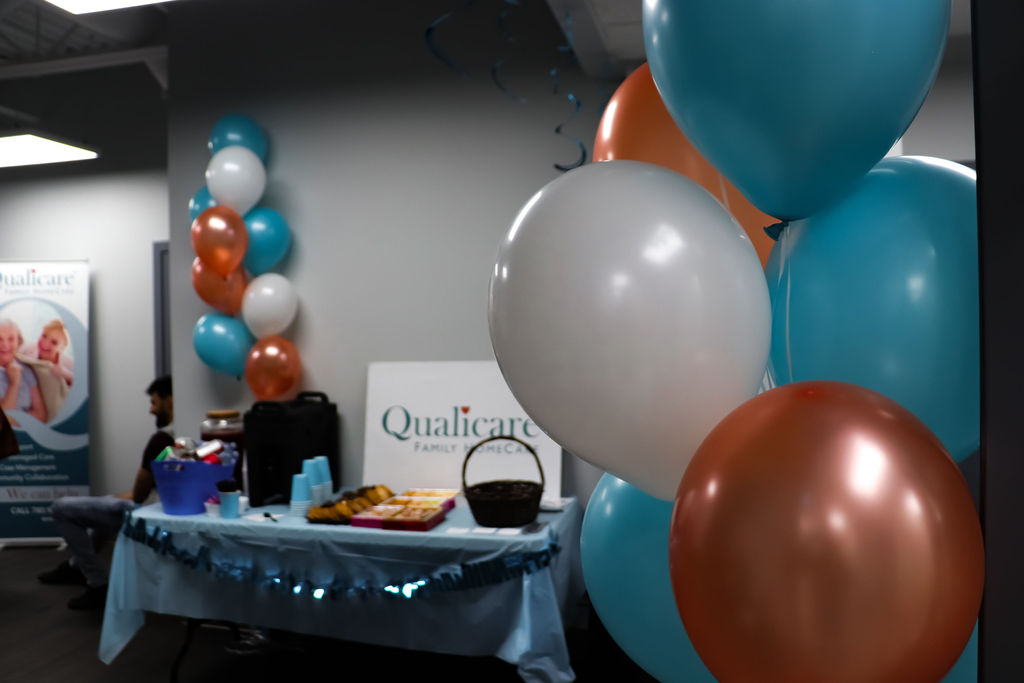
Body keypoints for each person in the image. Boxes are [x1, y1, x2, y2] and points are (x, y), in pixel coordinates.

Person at [37, 376, 174, 610]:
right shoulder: (186, 435)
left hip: (149, 515)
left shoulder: (162, 440)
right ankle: (76, 566)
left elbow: (140, 494)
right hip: (163, 508)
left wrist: (122, 498)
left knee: (61, 508)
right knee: (105, 504)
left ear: (169, 400)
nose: (151, 410)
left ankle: (97, 582)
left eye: (154, 402)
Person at [17, 318, 74, 421]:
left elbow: (80, 386)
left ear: (62, 347)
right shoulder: (29, 348)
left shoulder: (68, 364)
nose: (45, 343)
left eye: (54, 342)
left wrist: (63, 373)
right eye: (44, 336)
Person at [0, 318, 47, 424]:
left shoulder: (26, 370)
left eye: (11, 339)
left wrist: (14, 419)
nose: (5, 345)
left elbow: (41, 415)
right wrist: (14, 384)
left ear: (19, 342)